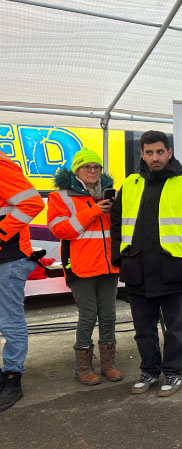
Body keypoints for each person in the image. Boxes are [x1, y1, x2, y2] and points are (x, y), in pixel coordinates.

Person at [110, 131, 182, 397]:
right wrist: (120, 257)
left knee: (175, 330)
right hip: (137, 270)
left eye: (159, 152)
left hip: (174, 270)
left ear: (169, 152)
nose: (155, 157)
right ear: (142, 154)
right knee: (143, 330)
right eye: (149, 152)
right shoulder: (130, 184)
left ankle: (173, 373)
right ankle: (149, 371)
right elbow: (117, 222)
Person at [48, 148, 121, 385]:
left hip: (109, 265)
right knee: (88, 315)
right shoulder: (61, 197)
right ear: (76, 170)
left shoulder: (111, 194)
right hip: (80, 266)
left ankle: (108, 364)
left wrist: (116, 209)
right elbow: (60, 230)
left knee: (108, 315)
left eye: (96, 167)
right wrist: (93, 211)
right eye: (86, 167)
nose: (92, 170)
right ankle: (83, 367)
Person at [0, 151, 45, 412]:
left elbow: (32, 203)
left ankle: (12, 376)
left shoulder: (2, 167)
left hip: (9, 258)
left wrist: (1, 234)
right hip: (7, 256)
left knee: (10, 321)